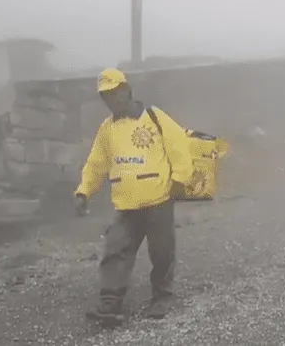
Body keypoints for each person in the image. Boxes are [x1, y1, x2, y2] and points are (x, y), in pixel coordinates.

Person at [74, 68, 195, 324]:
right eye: (104, 95)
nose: (110, 98)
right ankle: (110, 304)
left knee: (161, 252)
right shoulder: (107, 129)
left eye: (114, 92)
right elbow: (96, 163)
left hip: (158, 199)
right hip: (126, 203)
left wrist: (179, 180)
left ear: (126, 90)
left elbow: (179, 146)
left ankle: (162, 297)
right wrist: (84, 190)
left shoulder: (154, 117)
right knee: (115, 250)